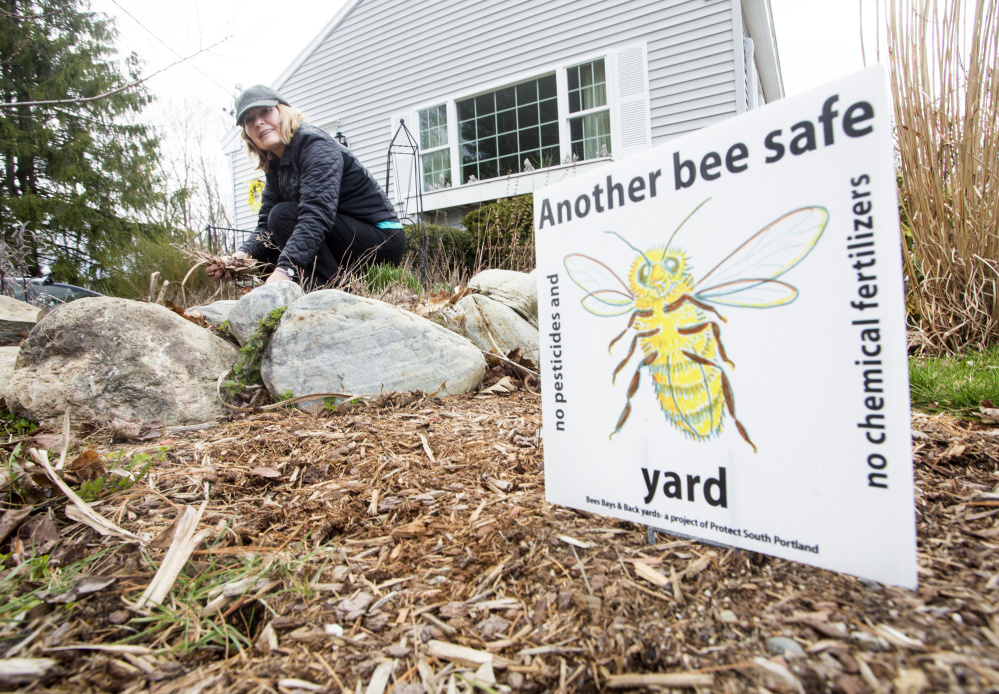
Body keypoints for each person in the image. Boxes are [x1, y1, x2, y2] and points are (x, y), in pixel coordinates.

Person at [218, 85, 406, 287]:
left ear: (283, 111)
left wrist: (285, 269)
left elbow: (317, 214)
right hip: (340, 235)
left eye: (265, 111)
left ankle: (333, 293)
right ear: (247, 133)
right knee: (267, 250)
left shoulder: (314, 144)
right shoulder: (275, 165)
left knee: (282, 216)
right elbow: (265, 227)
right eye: (249, 120)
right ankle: (302, 295)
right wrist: (238, 258)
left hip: (381, 239)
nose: (259, 122)